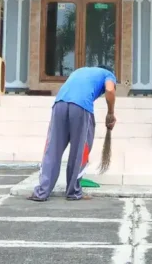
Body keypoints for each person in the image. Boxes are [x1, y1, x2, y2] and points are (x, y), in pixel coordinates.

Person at [28, 65, 117, 202]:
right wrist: (110, 113)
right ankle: (73, 192)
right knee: (80, 151)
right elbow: (110, 90)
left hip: (59, 104)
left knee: (52, 149)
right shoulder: (108, 74)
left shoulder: (80, 71)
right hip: (81, 107)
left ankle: (42, 192)